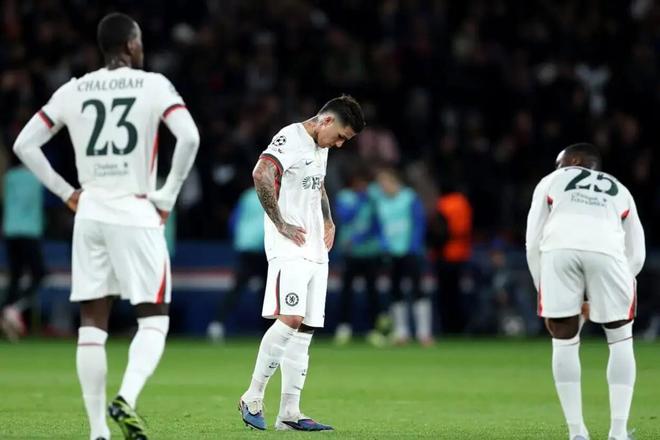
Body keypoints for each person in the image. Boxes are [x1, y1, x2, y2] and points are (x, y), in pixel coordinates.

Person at [12, 13, 200, 440]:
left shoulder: (74, 89)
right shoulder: (153, 85)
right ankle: (126, 399)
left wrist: (66, 193)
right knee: (154, 319)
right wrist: (167, 195)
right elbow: (189, 137)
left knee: (92, 324)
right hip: (136, 211)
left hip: (90, 212)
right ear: (131, 44)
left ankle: (98, 431)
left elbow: (24, 144)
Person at [239, 95, 365, 431]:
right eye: (340, 136)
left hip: (315, 247)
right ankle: (252, 395)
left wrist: (328, 219)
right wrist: (280, 222)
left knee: (305, 327)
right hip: (289, 245)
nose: (339, 144)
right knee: (291, 318)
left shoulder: (320, 147)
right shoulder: (290, 137)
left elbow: (317, 184)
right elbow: (261, 173)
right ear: (327, 120)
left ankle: (289, 413)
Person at [526, 143, 645, 440]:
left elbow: (533, 240)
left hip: (559, 250)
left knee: (564, 339)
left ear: (574, 161)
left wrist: (544, 288)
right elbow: (637, 252)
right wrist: (616, 285)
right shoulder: (620, 189)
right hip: (609, 253)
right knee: (620, 338)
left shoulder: (552, 180)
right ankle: (618, 432)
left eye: (560, 163)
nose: (557, 168)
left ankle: (577, 432)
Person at [371, 167, 432, 346]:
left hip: (410, 251)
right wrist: (383, 243)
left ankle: (423, 333)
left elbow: (419, 222)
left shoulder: (409, 197)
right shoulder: (380, 202)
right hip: (392, 252)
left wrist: (414, 245)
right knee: (395, 291)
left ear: (394, 181)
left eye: (385, 183)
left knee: (418, 289)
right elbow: (378, 226)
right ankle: (401, 332)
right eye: (380, 184)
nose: (383, 187)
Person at [333, 165, 386, 346]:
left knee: (373, 292)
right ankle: (344, 328)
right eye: (359, 183)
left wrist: (366, 238)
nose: (362, 186)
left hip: (370, 252)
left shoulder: (373, 199)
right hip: (350, 252)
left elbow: (376, 224)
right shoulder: (345, 197)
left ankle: (374, 330)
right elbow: (344, 217)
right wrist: (359, 202)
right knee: (346, 291)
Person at [207, 187, 267, 342]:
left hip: (245, 245)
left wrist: (238, 239)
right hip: (263, 246)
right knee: (267, 290)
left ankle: (217, 324)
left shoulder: (247, 196)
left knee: (238, 287)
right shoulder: (277, 193)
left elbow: (234, 220)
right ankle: (267, 329)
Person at [0, 155, 46, 341]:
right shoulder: (37, 176)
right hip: (30, 232)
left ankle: (8, 309)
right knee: (39, 274)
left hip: (11, 231)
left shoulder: (9, 176)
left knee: (16, 276)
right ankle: (13, 308)